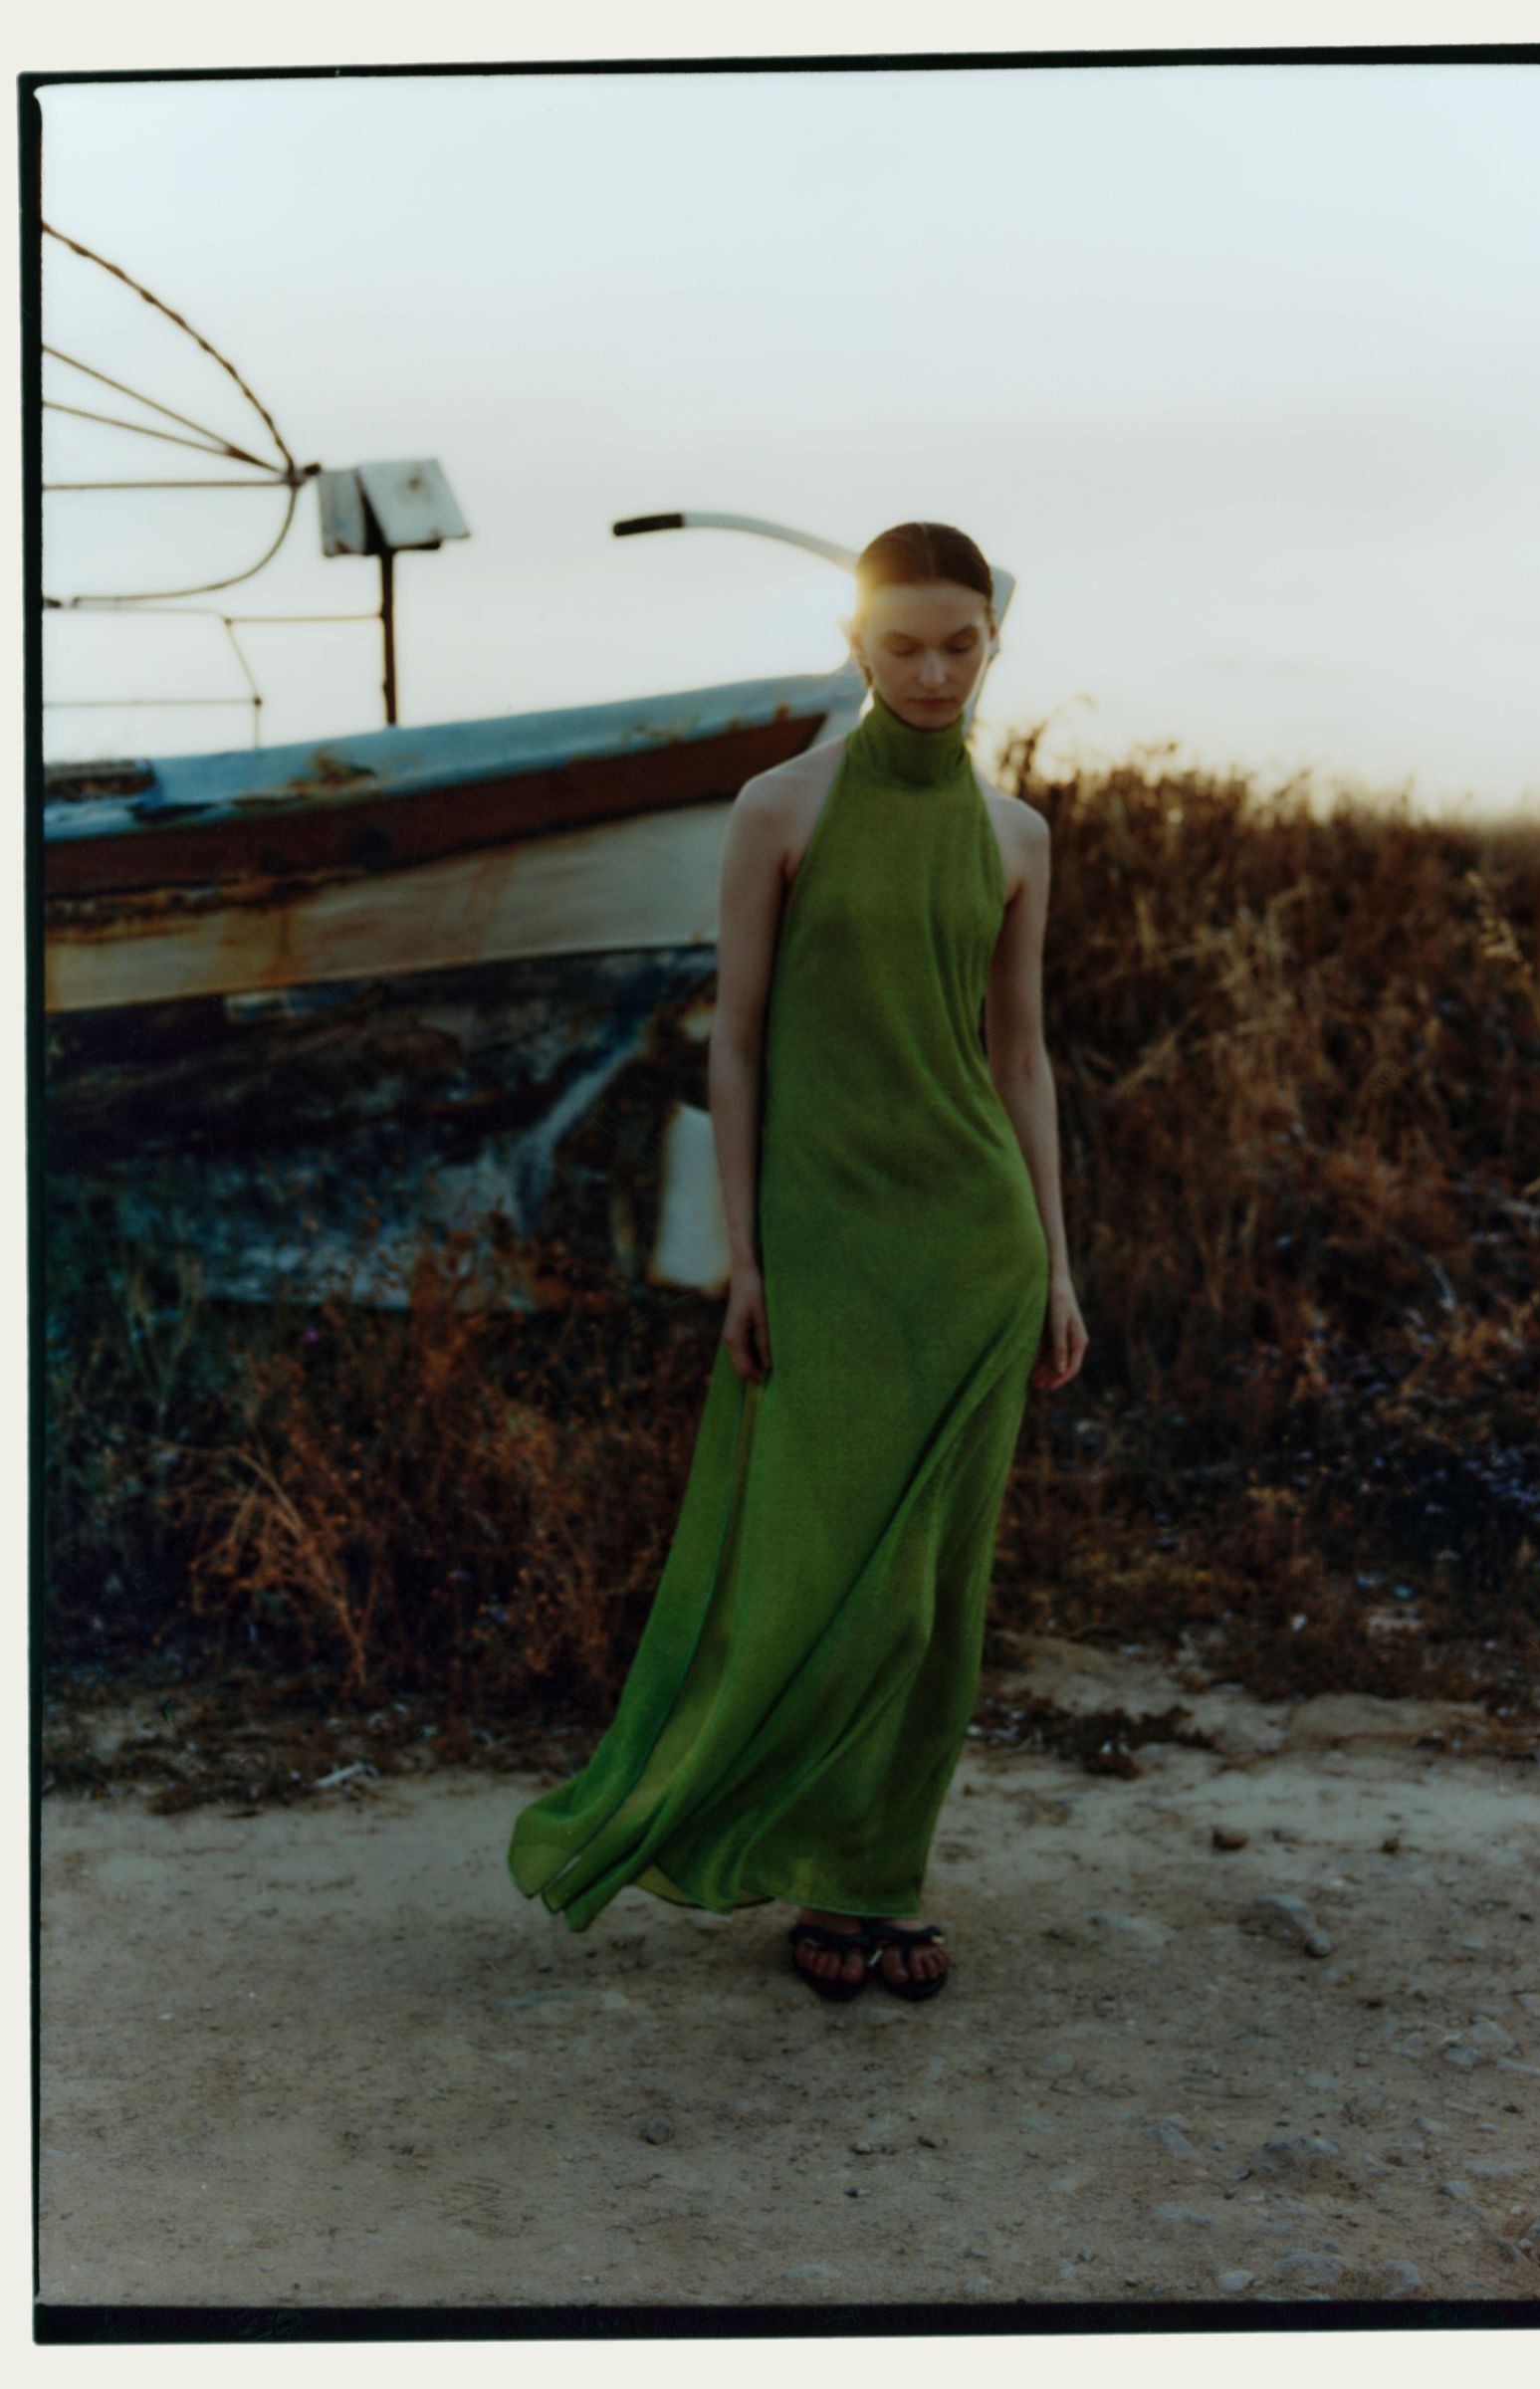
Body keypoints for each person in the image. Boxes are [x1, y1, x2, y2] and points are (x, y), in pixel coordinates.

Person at [507, 520, 1087, 2003]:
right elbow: (740, 1043)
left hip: (976, 1248)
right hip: (827, 1242)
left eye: (961, 645)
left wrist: (1057, 1265)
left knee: (931, 1592)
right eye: (903, 645)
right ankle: (758, 1824)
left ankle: (875, 1877)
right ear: (855, 643)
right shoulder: (779, 807)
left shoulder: (1018, 836)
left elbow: (1020, 1058)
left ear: (991, 645)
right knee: (818, 1570)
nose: (934, 673)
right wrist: (746, 1258)